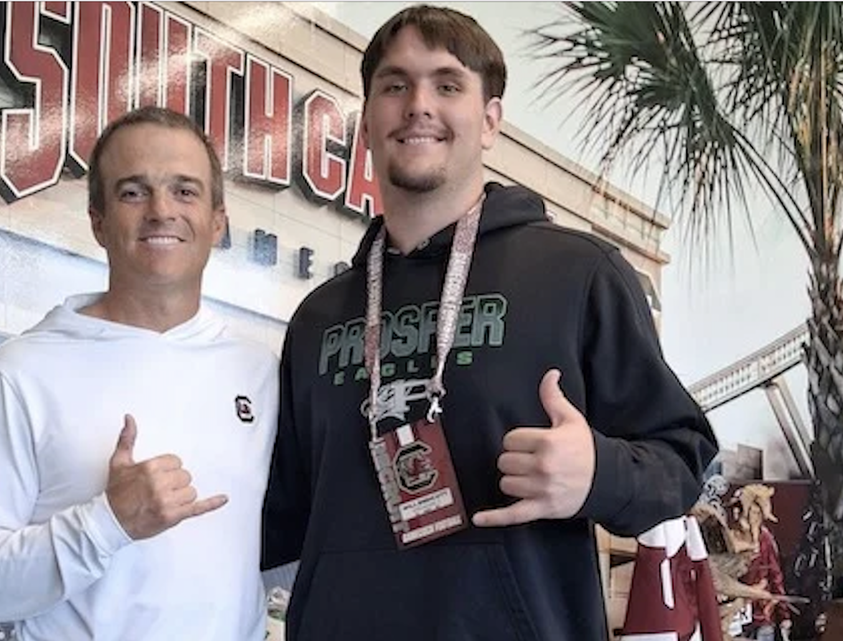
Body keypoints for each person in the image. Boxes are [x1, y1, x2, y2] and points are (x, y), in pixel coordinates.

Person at [260, 5, 719, 640]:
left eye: (448, 85)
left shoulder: (577, 274)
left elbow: (684, 457)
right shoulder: (319, 317)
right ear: (366, 122)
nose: (418, 105)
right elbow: (279, 514)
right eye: (394, 85)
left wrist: (599, 474)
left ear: (490, 121)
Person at [0, 106, 279, 640]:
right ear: (98, 221)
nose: (161, 211)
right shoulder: (21, 371)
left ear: (218, 222)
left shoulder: (259, 372)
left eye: (185, 191)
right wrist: (106, 523)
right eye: (133, 192)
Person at [730, 484, 792, 641]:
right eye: (734, 508)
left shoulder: (765, 539)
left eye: (740, 508)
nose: (735, 512)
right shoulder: (729, 537)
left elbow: (775, 575)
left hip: (762, 613)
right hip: (736, 613)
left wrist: (783, 615)